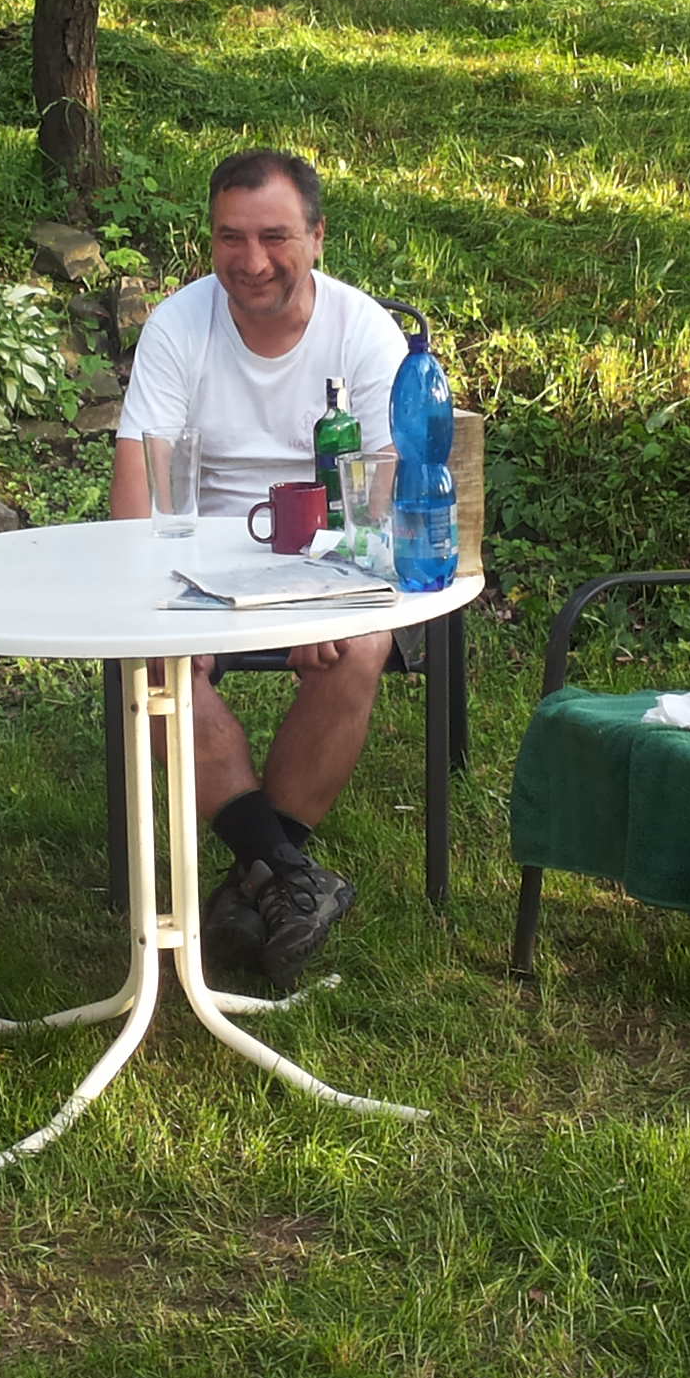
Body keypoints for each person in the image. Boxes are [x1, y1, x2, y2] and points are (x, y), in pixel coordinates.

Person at [110, 148, 408, 986]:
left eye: (275, 237)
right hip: (198, 564)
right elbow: (136, 494)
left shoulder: (363, 332)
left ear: (317, 237)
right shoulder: (178, 325)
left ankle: (259, 874)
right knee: (156, 662)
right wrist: (165, 607)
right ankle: (286, 876)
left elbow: (389, 491)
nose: (251, 262)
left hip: (331, 559)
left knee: (362, 646)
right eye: (229, 238)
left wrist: (322, 605)